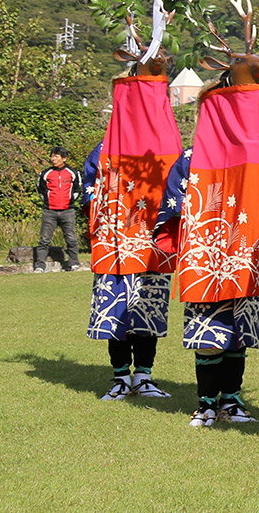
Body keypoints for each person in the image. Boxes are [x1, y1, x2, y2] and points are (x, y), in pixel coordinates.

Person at [173, 57, 259, 429]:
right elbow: (173, 204)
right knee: (208, 328)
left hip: (246, 252)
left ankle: (232, 400)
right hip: (206, 252)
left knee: (239, 330)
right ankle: (206, 403)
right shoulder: (191, 160)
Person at [84, 54, 182, 400]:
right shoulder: (105, 150)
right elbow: (89, 189)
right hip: (115, 242)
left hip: (151, 243)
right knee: (117, 311)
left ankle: (144, 375)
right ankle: (120, 377)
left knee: (147, 309)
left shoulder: (168, 148)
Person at [35, 146, 85, 272]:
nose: (53, 159)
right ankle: (40, 266)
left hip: (67, 211)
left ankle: (74, 263)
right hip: (49, 211)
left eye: (56, 156)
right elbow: (40, 189)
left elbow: (78, 189)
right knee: (44, 239)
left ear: (64, 158)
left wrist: (70, 201)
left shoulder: (73, 173)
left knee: (71, 238)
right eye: (52, 156)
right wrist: (47, 201)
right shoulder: (45, 173)